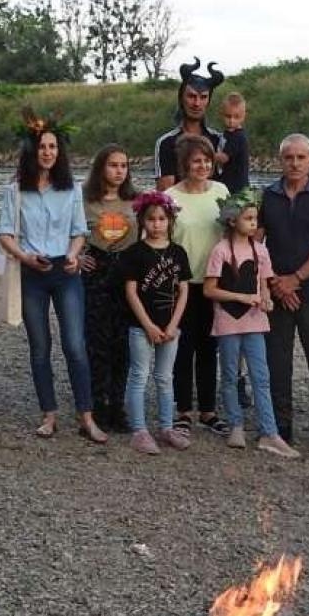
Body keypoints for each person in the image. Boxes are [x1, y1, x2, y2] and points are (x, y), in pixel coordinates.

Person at [0, 111, 106, 443]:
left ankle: (86, 415)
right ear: (32, 151)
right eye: (42, 147)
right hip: (33, 271)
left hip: (65, 270)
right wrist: (24, 257)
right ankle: (49, 414)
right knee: (39, 346)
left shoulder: (70, 188)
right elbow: (4, 233)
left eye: (53, 147)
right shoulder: (15, 190)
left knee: (74, 344)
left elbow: (79, 231)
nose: (48, 152)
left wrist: (73, 255)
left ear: (60, 152)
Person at [258, 134, 309, 450]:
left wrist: (296, 279)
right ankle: (282, 423)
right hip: (276, 290)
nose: (294, 163)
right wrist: (275, 282)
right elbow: (257, 243)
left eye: (300, 158)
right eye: (288, 157)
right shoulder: (268, 196)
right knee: (277, 362)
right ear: (280, 161)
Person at [204, 189, 297, 458]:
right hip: (228, 321)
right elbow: (210, 290)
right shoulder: (220, 250)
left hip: (255, 322)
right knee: (231, 375)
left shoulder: (261, 251)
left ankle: (269, 431)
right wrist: (241, 296)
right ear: (233, 221)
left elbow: (264, 284)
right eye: (248, 219)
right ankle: (235, 424)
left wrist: (266, 300)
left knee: (261, 376)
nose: (254, 224)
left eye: (255, 219)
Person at [165, 134, 231, 434]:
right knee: (183, 346)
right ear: (185, 165)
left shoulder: (221, 190)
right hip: (182, 283)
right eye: (196, 161)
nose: (202, 165)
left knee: (209, 346)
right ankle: (182, 410)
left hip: (215, 281)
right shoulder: (170, 196)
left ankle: (208, 409)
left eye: (206, 160)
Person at [116, 192, 191, 454]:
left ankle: (167, 426)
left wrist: (173, 325)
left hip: (171, 327)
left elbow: (183, 291)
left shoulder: (178, 253)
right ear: (142, 221)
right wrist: (147, 325)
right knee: (139, 375)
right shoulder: (135, 253)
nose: (156, 224)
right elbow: (131, 292)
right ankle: (139, 430)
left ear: (170, 221)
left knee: (164, 377)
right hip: (141, 327)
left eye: (161, 219)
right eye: (151, 219)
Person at [80, 145, 138, 433]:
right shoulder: (84, 199)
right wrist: (76, 258)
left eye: (124, 165)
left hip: (126, 274)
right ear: (101, 167)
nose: (119, 170)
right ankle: (97, 404)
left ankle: (118, 405)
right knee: (97, 342)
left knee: (123, 344)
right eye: (113, 165)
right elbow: (70, 232)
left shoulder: (135, 201)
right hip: (95, 274)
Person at [154, 58, 224, 190]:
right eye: (191, 96)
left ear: (208, 101)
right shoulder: (167, 143)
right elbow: (164, 194)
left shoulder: (219, 140)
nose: (197, 103)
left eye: (203, 97)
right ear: (181, 98)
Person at [213, 92, 250, 193]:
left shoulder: (238, 137)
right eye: (228, 116)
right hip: (228, 183)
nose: (231, 120)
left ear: (243, 116)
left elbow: (224, 158)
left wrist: (205, 154)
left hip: (237, 187)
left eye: (236, 117)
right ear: (221, 114)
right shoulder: (228, 134)